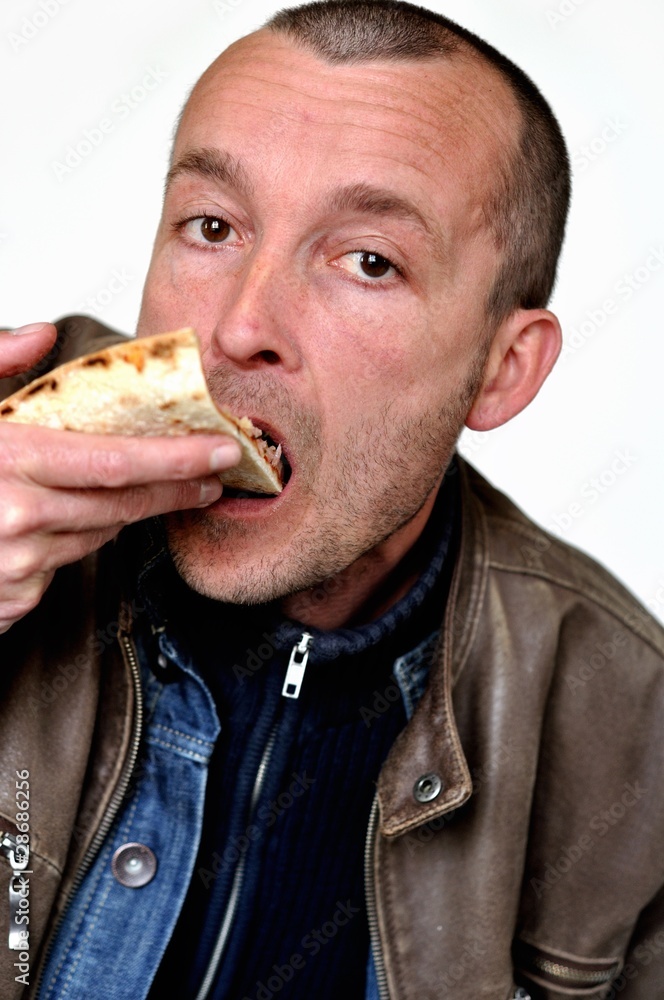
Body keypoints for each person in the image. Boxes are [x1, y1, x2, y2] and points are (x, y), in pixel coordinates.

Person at [0, 1, 662, 998]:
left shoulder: (631, 726)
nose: (239, 327)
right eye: (212, 227)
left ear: (502, 368)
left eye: (368, 261)